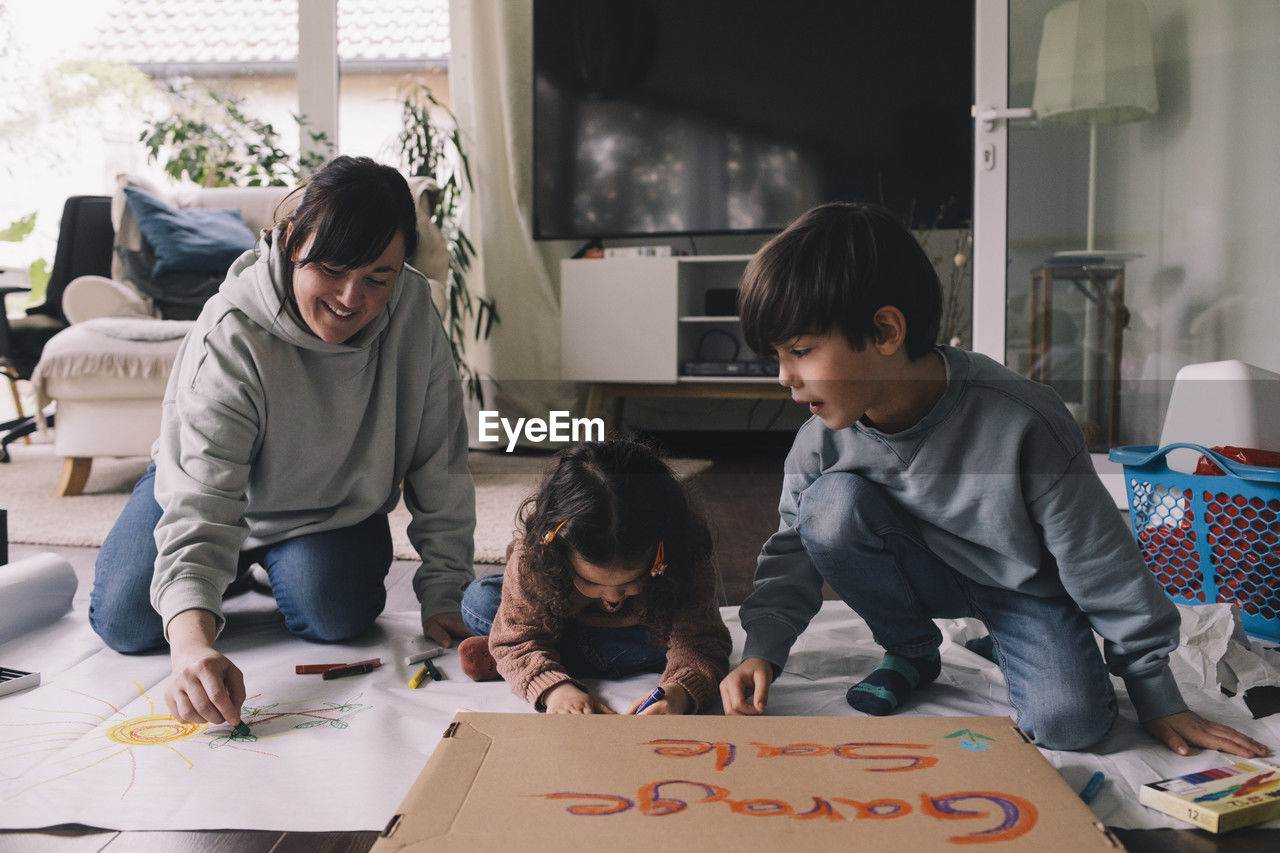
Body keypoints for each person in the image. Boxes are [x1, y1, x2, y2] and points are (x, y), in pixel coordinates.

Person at [719, 201, 1269, 758]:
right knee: (827, 508)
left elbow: (1100, 558)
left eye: (801, 352)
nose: (785, 376)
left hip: (1021, 588)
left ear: (885, 331)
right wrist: (761, 651)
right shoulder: (821, 434)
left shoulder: (1023, 419)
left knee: (1072, 725)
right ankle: (911, 652)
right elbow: (792, 548)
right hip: (920, 569)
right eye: (779, 357)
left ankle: (1009, 639)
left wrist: (1156, 694)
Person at [89, 156, 476, 728]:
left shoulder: (414, 312)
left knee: (338, 615)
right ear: (292, 240)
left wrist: (445, 593)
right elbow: (200, 504)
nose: (351, 298)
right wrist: (193, 645)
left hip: (330, 508)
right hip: (209, 491)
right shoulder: (230, 334)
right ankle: (233, 568)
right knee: (127, 623)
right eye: (333, 267)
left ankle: (257, 565)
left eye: (378, 277)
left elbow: (439, 466)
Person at [458, 439, 731, 715]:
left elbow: (701, 644)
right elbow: (516, 638)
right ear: (559, 550)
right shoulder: (538, 554)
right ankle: (540, 659)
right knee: (479, 601)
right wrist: (555, 690)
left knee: (655, 647)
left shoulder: (684, 555)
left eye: (628, 583)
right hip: (561, 623)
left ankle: (536, 659)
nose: (612, 597)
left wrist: (679, 693)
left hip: (640, 633)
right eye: (591, 582)